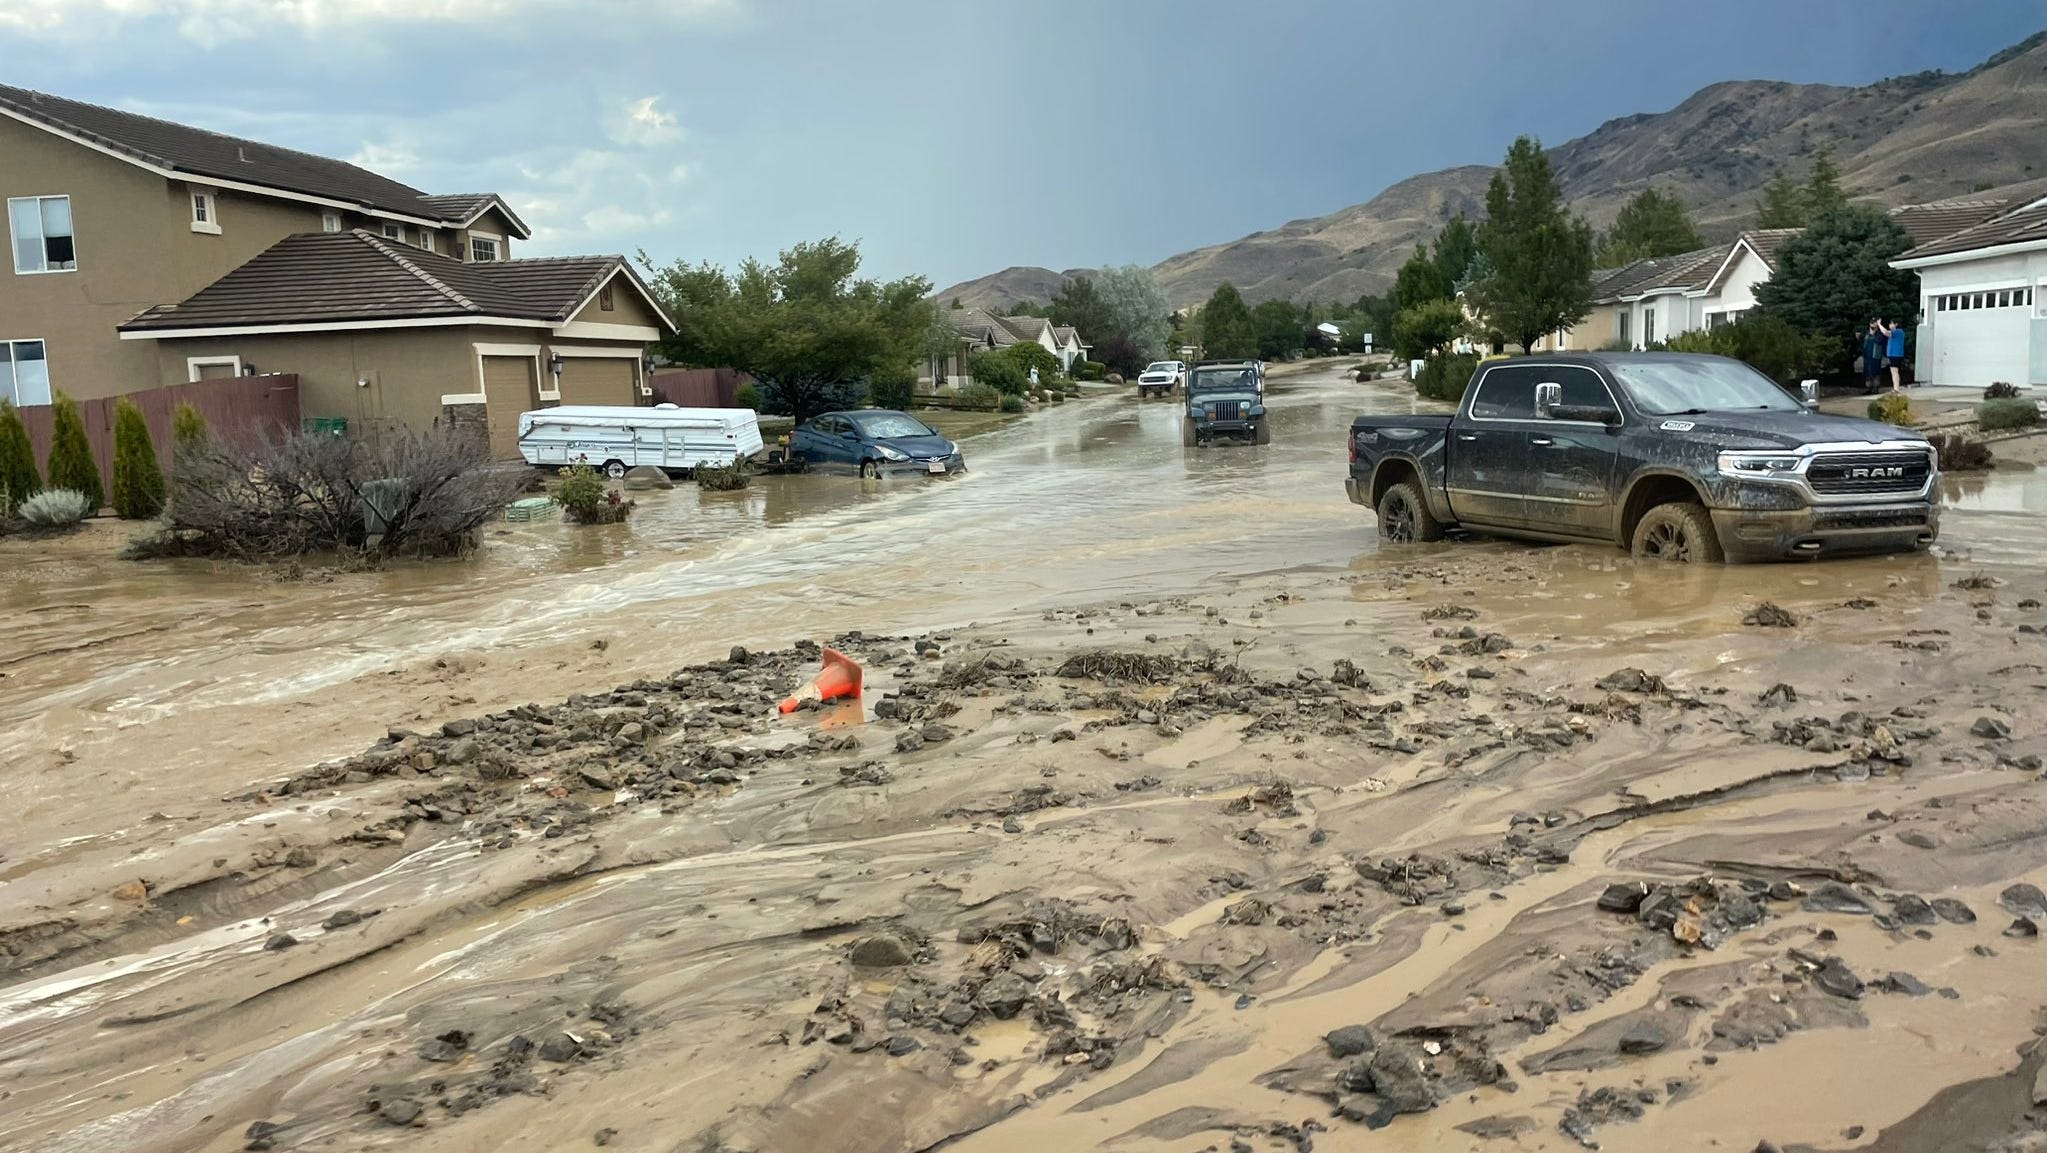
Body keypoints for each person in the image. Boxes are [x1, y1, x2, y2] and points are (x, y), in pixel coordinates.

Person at [1882, 318, 1908, 392]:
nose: (1890, 325)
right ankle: (1896, 387)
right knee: (1894, 371)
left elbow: (1885, 332)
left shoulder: (1897, 331)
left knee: (1894, 371)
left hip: (1895, 354)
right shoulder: (1898, 332)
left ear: (1896, 324)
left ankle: (1896, 388)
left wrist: (1879, 325)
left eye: (1891, 323)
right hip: (1895, 354)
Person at [1861, 321, 1884, 395]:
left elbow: (1879, 342)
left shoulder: (1879, 334)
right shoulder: (1867, 333)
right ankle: (1868, 388)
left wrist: (1873, 334)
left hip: (1875, 356)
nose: (1872, 325)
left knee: (1875, 372)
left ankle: (1876, 388)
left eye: (1874, 323)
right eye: (1871, 323)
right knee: (1867, 373)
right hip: (1867, 356)